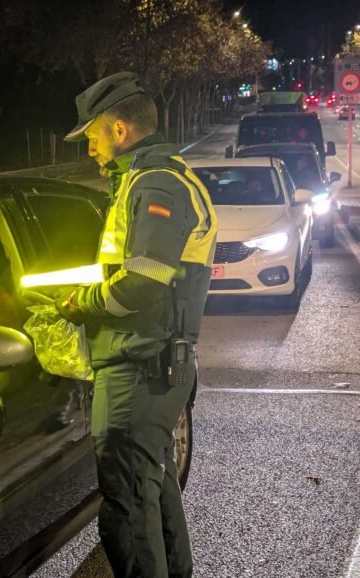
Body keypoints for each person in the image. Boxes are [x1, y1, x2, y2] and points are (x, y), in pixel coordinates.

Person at [56, 71, 217, 578]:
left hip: (139, 365)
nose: (89, 149)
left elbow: (143, 282)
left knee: (126, 506)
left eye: (92, 136)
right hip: (152, 360)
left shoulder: (155, 184)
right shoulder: (151, 179)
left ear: (119, 130)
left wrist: (80, 303)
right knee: (153, 488)